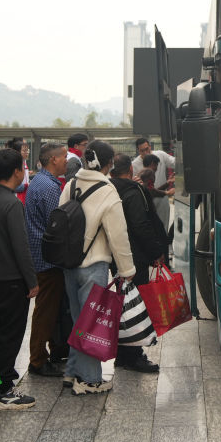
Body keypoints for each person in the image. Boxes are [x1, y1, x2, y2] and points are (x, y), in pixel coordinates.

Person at [61, 140, 135, 395]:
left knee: (77, 319)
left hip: (69, 263)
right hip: (94, 264)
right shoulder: (107, 190)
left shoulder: (71, 185)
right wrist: (127, 269)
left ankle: (72, 371)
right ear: (109, 163)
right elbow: (118, 235)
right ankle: (89, 379)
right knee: (90, 323)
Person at [0, 148, 39, 410]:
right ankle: (4, 390)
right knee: (10, 334)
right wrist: (32, 281)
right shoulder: (13, 204)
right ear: (17, 172)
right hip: (13, 280)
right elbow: (21, 246)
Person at [110, 153, 167, 374]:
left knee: (123, 305)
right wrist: (156, 251)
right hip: (135, 258)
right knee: (135, 306)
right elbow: (141, 225)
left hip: (116, 256)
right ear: (131, 170)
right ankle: (133, 356)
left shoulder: (109, 189)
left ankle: (122, 354)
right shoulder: (133, 192)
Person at [24, 143, 69, 378]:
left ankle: (49, 352)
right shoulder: (49, 188)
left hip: (42, 256)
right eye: (64, 157)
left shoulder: (41, 181)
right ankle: (38, 360)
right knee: (45, 312)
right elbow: (56, 224)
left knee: (48, 309)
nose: (67, 161)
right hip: (48, 260)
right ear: (53, 159)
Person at [131, 138, 175, 233]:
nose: (146, 152)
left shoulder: (161, 155)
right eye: (142, 151)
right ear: (138, 151)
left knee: (163, 227)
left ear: (150, 146)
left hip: (161, 200)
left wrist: (167, 183)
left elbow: (175, 162)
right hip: (146, 202)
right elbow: (150, 191)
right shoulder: (135, 165)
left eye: (147, 149)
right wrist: (167, 192)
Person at [6, 138, 30, 204]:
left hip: (24, 197)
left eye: (27, 150)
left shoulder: (23, 162)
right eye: (24, 151)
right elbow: (13, 186)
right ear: (17, 152)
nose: (27, 153)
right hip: (17, 198)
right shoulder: (14, 164)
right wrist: (27, 185)